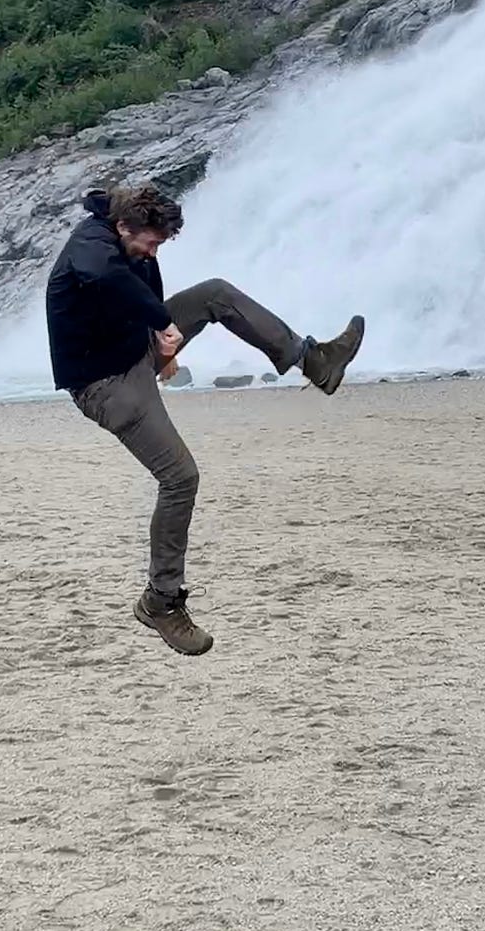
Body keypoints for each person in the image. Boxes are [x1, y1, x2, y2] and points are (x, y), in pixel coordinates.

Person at [46, 184, 365, 657]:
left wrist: (160, 335)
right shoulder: (89, 246)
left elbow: (138, 286)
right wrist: (160, 320)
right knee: (180, 478)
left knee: (215, 294)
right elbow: (103, 275)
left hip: (132, 347)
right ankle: (161, 602)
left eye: (160, 243)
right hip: (105, 384)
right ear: (121, 226)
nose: (154, 251)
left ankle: (313, 359)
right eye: (150, 243)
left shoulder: (130, 239)